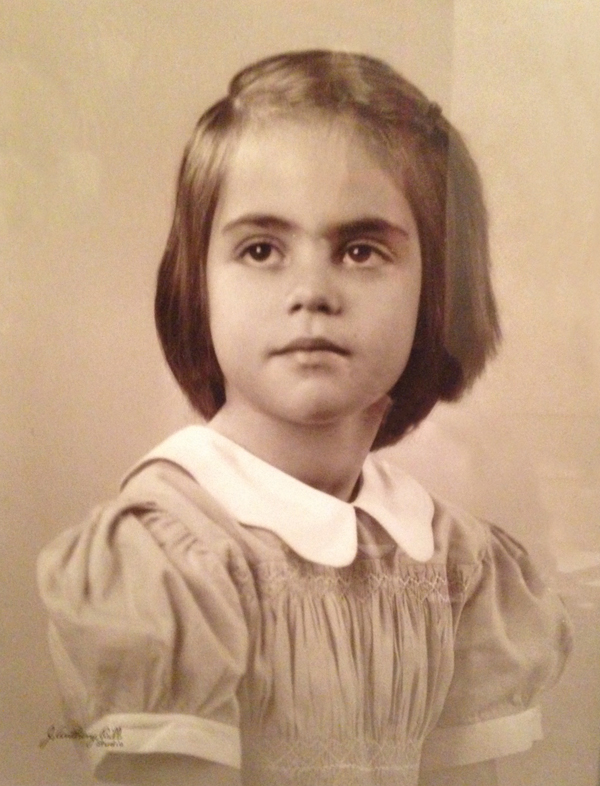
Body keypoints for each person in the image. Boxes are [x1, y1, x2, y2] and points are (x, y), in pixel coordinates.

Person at [37, 51, 572, 786]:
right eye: (261, 250)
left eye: (360, 250)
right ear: (198, 285)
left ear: (437, 290)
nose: (311, 291)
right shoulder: (169, 560)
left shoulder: (455, 565)